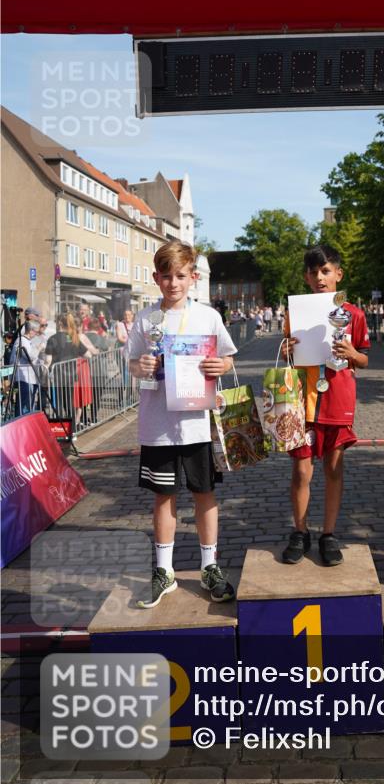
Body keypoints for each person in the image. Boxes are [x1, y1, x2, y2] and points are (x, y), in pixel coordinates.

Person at [127, 241, 237, 609]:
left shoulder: (208, 316)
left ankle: (210, 566)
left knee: (204, 493)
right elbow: (131, 363)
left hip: (196, 424)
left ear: (193, 277)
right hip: (158, 424)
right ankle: (164, 570)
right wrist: (139, 367)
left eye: (180, 276)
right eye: (166, 276)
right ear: (156, 278)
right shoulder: (145, 319)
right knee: (164, 496)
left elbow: (227, 359)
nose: (173, 283)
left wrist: (221, 367)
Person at [281, 244, 369, 567]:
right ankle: (300, 532)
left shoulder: (354, 314)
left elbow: (364, 358)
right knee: (301, 471)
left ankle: (328, 534)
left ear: (338, 274)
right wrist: (286, 349)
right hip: (302, 404)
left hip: (337, 403)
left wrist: (352, 354)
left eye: (326, 271)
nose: (320, 277)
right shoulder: (295, 313)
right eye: (314, 272)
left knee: (334, 469)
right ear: (306, 277)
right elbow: (287, 357)